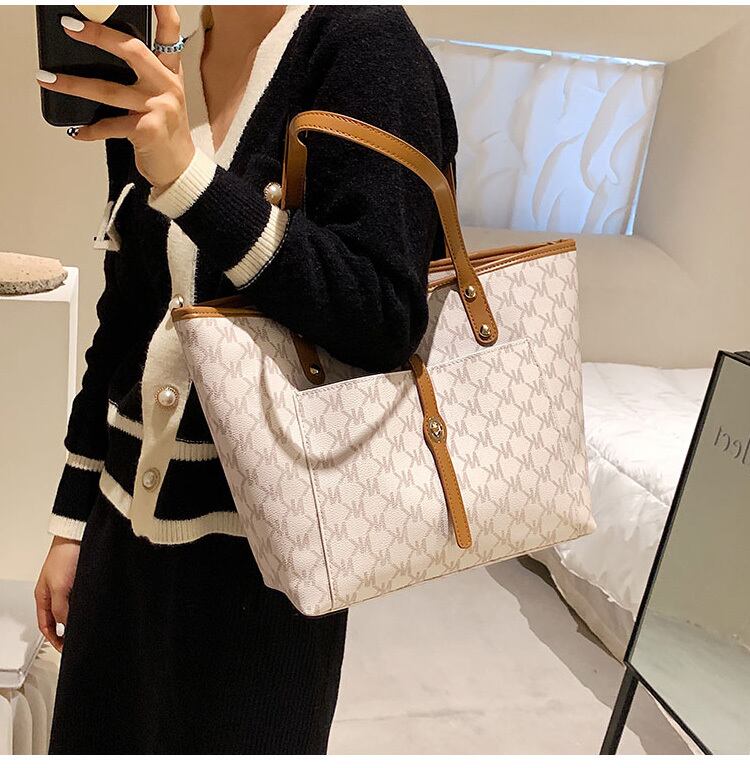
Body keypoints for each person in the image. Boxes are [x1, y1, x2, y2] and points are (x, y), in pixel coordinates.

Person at [34, 4, 458, 754]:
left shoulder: (364, 40)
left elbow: (383, 315)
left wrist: (193, 183)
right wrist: (72, 521)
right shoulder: (170, 51)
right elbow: (127, 315)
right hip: (118, 534)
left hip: (267, 564)